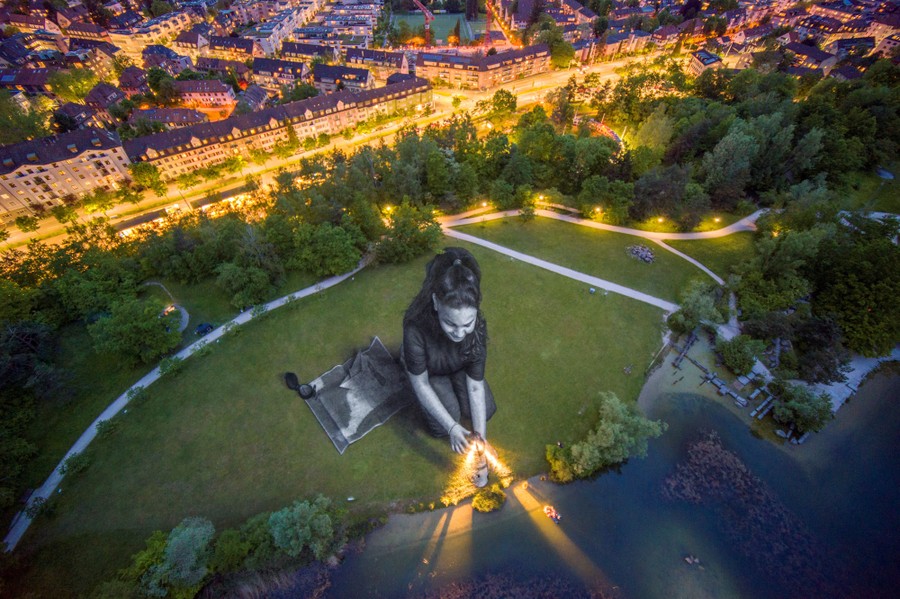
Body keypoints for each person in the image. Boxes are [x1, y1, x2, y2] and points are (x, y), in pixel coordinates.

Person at [402, 247, 496, 483]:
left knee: (486, 408)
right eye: (451, 324)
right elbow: (420, 384)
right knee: (444, 423)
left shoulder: (476, 330)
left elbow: (475, 386)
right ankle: (448, 420)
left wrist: (481, 445)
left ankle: (456, 403)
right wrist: (452, 427)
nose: (460, 333)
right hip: (431, 373)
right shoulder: (415, 329)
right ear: (435, 302)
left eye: (468, 324)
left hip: (458, 366)